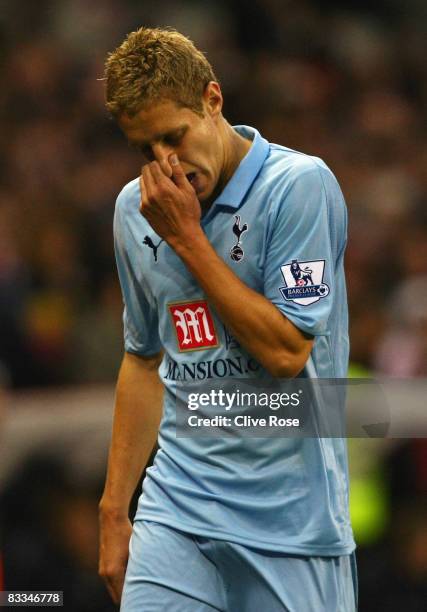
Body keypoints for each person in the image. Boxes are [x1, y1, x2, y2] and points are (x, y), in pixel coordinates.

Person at [99, 27, 357, 611]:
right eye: (145, 149)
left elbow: (287, 353)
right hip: (176, 511)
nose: (165, 164)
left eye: (174, 137)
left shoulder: (299, 187)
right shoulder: (132, 212)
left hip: (292, 526)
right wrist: (116, 509)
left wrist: (189, 239)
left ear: (213, 101)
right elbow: (142, 359)